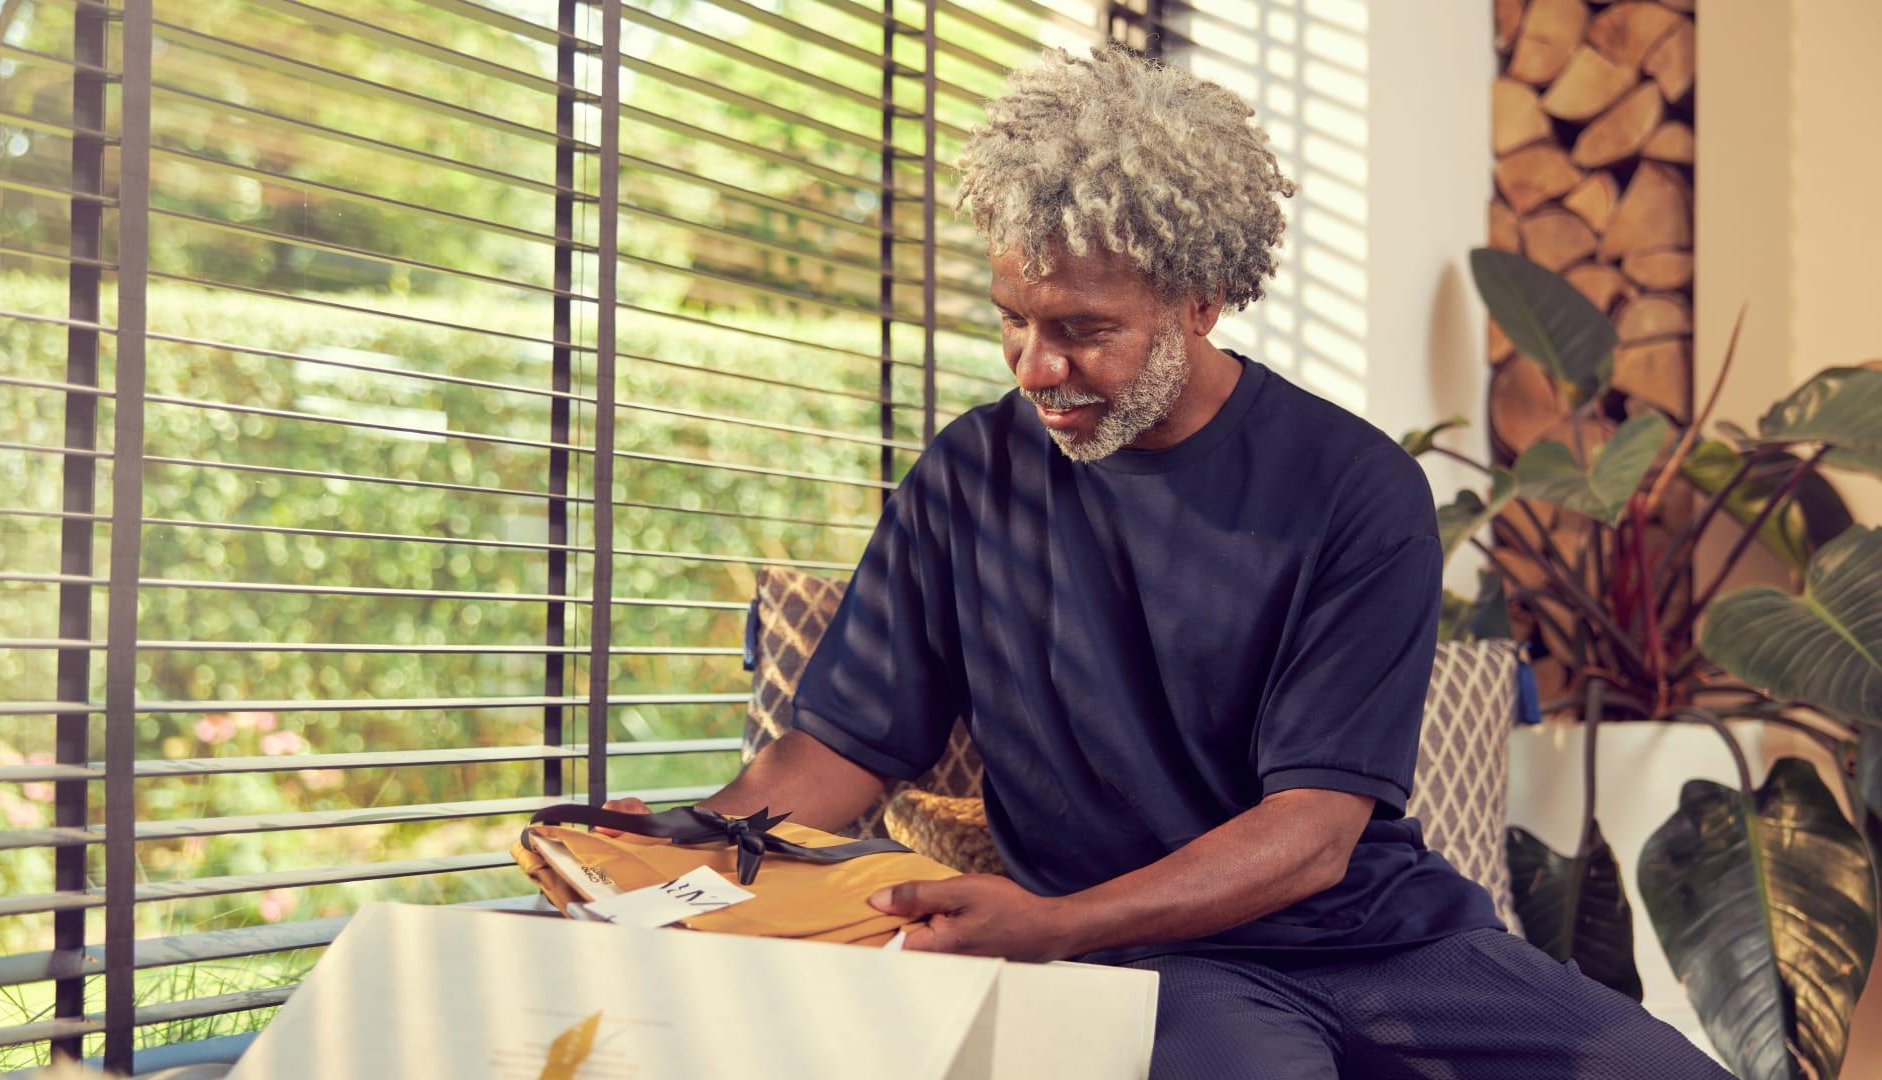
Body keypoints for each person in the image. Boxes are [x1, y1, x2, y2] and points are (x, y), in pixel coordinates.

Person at [601, 45, 1731, 1079]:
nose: (1036, 367)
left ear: (1201, 299)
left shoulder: (1355, 488)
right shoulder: (968, 480)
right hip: (1157, 958)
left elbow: (1312, 836)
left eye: (1084, 330)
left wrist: (1046, 925)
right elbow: (837, 757)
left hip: (1381, 937)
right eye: (1013, 321)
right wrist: (677, 844)